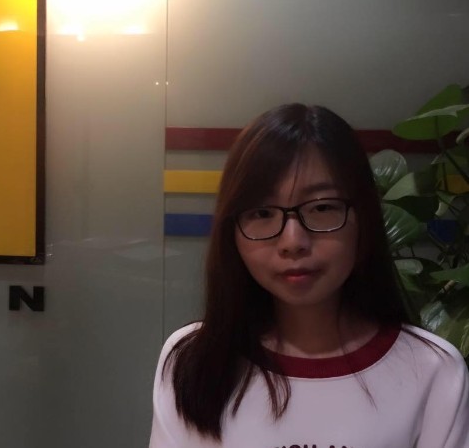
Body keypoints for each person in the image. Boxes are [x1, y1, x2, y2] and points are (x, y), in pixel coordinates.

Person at [149, 103, 469, 447]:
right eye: (262, 213)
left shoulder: (432, 369)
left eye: (321, 207)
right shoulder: (193, 361)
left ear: (364, 217)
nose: (293, 242)